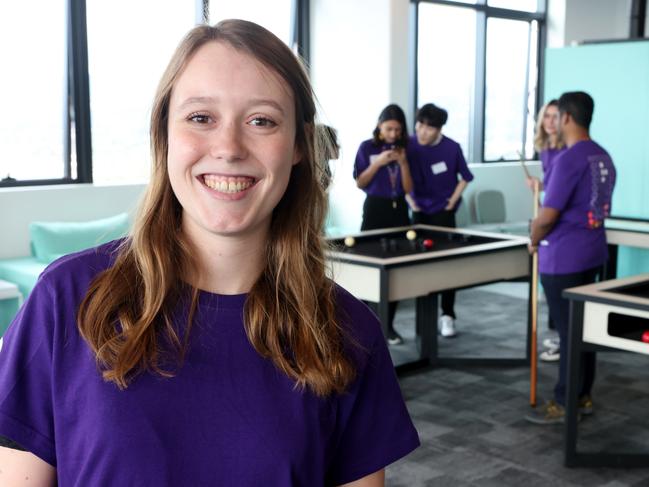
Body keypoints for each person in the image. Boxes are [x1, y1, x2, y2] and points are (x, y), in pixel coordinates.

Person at [0, 20, 420, 485]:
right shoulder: (68, 300)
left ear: (300, 145)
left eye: (261, 120)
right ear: (164, 133)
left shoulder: (347, 332)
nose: (228, 147)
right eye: (201, 117)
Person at [525, 91, 616, 425]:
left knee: (568, 333)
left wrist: (533, 237)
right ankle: (584, 395)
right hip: (593, 252)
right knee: (585, 330)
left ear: (565, 118)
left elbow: (548, 216)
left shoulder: (569, 159)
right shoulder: (603, 155)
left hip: (563, 257)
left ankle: (566, 402)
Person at [406, 103, 474, 338]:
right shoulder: (409, 144)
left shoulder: (452, 148)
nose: (423, 131)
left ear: (440, 129)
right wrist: (410, 201)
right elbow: (398, 171)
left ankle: (448, 315)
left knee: (448, 263)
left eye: (429, 128)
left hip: (444, 213)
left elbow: (465, 177)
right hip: (419, 212)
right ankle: (423, 317)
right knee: (420, 263)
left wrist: (451, 201)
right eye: (420, 125)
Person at [353, 104, 414, 345]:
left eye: (398, 130)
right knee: (368, 262)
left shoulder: (404, 149)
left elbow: (409, 189)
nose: (393, 134)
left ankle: (388, 325)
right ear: (379, 126)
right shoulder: (367, 148)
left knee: (396, 266)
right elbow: (360, 182)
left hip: (398, 209)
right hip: (375, 208)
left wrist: (404, 163)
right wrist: (378, 163)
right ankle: (364, 324)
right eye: (389, 129)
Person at [528, 99, 567, 362]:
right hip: (549, 219)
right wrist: (540, 187)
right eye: (547, 116)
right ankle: (563, 337)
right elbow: (553, 186)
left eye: (555, 116)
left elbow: (561, 193)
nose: (550, 122)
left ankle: (566, 339)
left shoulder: (567, 152)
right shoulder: (546, 151)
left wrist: (536, 233)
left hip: (558, 226)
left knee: (560, 290)